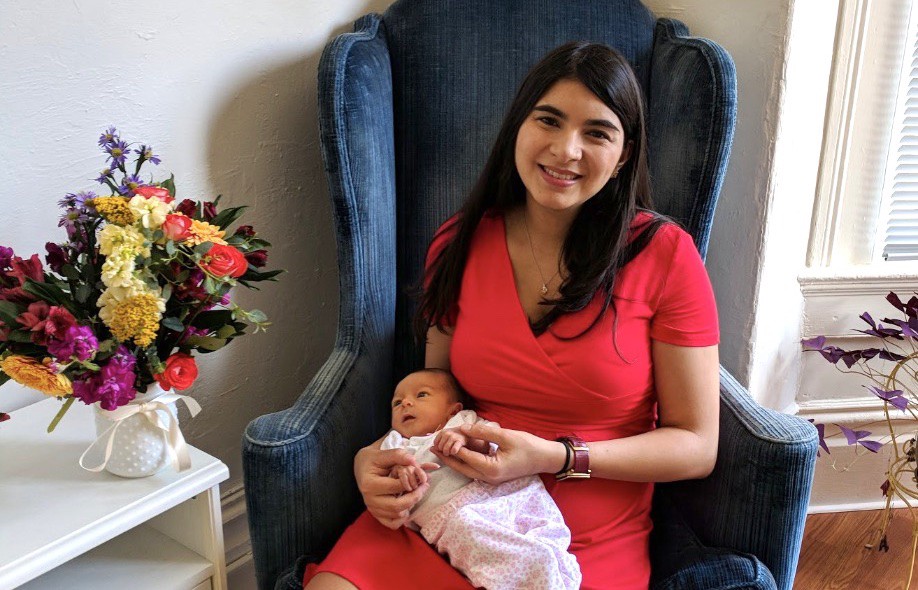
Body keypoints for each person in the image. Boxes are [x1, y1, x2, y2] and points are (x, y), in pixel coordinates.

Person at [305, 40, 720, 590]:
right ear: (517, 129)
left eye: (596, 132)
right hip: (447, 511)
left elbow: (696, 445)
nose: (565, 149)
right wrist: (375, 460)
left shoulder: (665, 255)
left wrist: (553, 457)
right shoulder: (457, 243)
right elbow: (436, 391)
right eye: (548, 120)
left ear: (623, 156)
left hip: (574, 545)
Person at [381, 367, 581, 590]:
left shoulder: (463, 421)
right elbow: (385, 482)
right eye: (397, 402)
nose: (406, 403)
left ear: (452, 409)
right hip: (452, 518)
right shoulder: (395, 443)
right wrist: (400, 474)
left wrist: (467, 439)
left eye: (421, 395)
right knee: (480, 537)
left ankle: (551, 568)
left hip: (503, 495)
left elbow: (491, 444)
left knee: (542, 539)